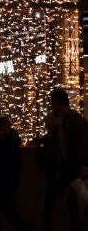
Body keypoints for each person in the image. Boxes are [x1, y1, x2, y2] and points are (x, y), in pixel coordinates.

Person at [38, 88, 88, 231]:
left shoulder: (73, 121)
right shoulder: (64, 121)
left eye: (52, 102)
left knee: (69, 210)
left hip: (69, 172)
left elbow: (81, 146)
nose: (50, 105)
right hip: (63, 172)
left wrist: (83, 167)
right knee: (66, 211)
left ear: (57, 103)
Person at [0, 115, 32, 231]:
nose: (0, 132)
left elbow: (5, 159)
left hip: (7, 181)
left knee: (0, 212)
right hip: (4, 181)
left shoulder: (10, 141)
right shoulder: (7, 140)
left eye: (1, 129)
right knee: (7, 213)